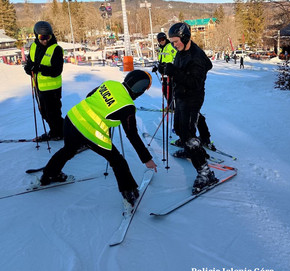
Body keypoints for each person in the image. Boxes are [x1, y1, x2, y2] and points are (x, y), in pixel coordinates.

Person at [39, 70, 157, 206]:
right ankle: (129, 193)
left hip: (72, 118)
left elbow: (90, 96)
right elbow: (132, 135)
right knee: (118, 161)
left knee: (68, 150)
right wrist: (147, 159)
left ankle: (49, 174)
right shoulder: (128, 106)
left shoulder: (111, 84)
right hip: (90, 130)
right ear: (140, 90)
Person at [158, 22, 218, 194]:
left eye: (176, 41)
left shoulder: (197, 57)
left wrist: (174, 72)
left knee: (189, 134)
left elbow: (195, 83)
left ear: (185, 38)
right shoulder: (181, 51)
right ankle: (189, 150)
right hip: (181, 95)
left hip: (192, 98)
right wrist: (166, 68)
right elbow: (179, 70)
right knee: (178, 128)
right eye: (172, 42)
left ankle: (205, 172)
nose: (173, 45)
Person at [24, 21, 64, 141]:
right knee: (44, 113)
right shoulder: (33, 47)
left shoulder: (56, 49)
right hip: (39, 87)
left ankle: (66, 132)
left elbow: (57, 70)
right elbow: (30, 64)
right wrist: (28, 68)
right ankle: (55, 132)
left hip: (53, 89)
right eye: (42, 37)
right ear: (36, 36)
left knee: (54, 114)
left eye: (48, 37)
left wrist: (40, 68)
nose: (45, 40)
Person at [152, 32, 177, 107]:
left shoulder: (170, 46)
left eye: (163, 39)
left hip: (170, 72)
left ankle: (173, 106)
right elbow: (160, 60)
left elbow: (177, 57)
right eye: (159, 40)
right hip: (163, 73)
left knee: (170, 91)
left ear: (166, 39)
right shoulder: (160, 49)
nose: (161, 41)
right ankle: (170, 105)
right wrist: (157, 66)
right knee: (165, 91)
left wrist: (170, 65)